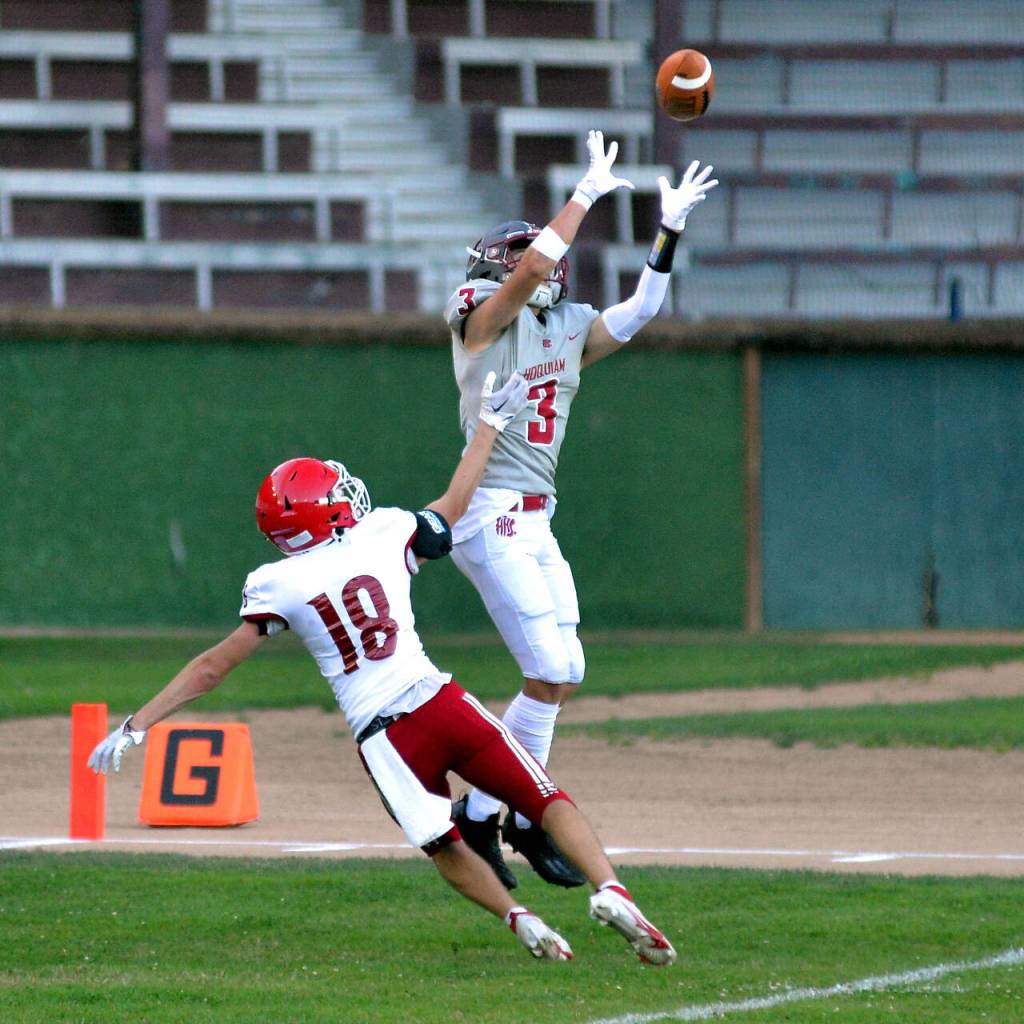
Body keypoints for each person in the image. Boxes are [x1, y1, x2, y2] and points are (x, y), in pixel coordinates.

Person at [88, 371, 676, 966]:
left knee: (444, 846)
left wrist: (138, 723)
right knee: (546, 797)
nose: (347, 495)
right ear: (325, 513)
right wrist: (491, 426)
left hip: (383, 736)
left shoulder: (277, 583)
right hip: (437, 698)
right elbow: (453, 504)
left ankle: (518, 918)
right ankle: (611, 887)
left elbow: (213, 668)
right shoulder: (382, 531)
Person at [445, 130, 718, 890]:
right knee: (550, 666)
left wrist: (667, 231)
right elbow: (531, 265)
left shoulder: (564, 330)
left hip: (538, 515)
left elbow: (636, 314)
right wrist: (586, 195)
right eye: (521, 259)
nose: (541, 264)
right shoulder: (478, 322)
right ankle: (517, 816)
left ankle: (491, 814)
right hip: (488, 509)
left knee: (567, 671)